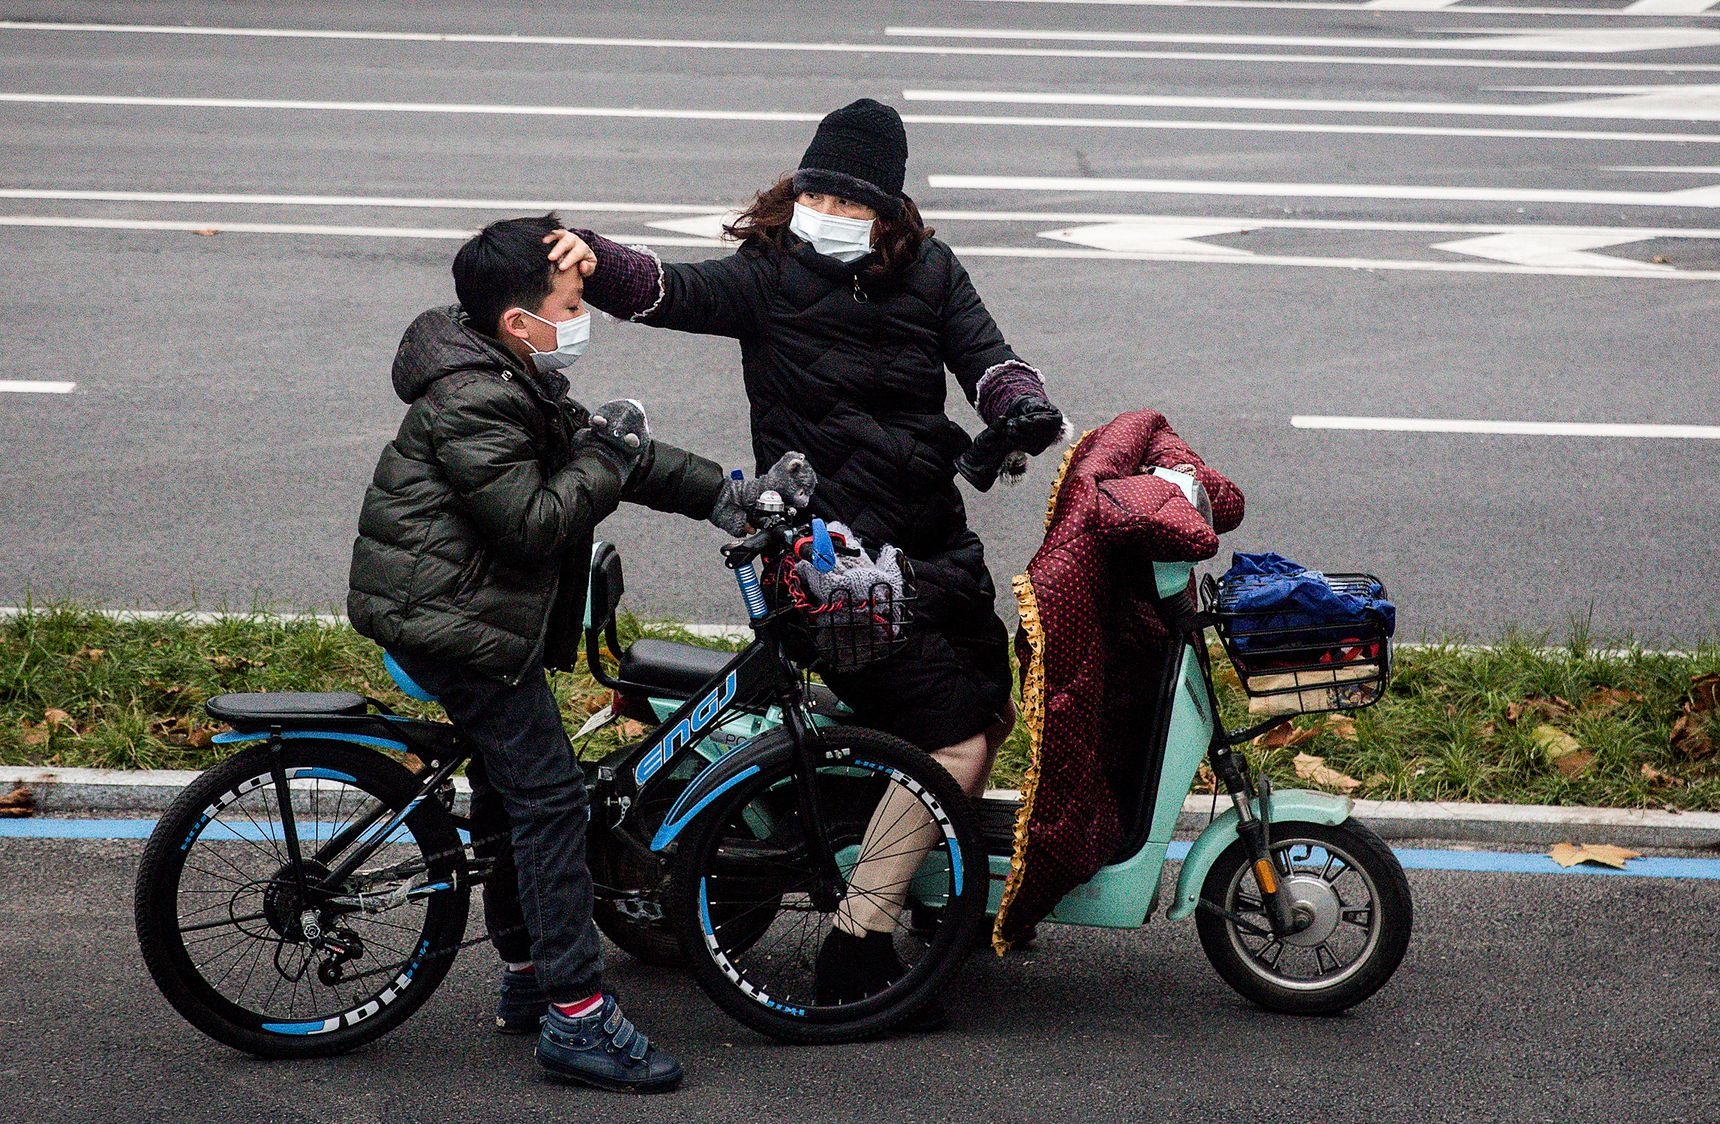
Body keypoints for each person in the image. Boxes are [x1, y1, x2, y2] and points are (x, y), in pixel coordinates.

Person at [543, 98, 1068, 1006]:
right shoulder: (767, 276)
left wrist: (1019, 408)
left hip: (934, 546)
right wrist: (593, 254)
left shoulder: (934, 274)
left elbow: (990, 360)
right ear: (796, 193)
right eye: (817, 193)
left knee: (989, 705)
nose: (830, 212)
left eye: (852, 202)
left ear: (891, 212)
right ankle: (857, 945)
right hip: (832, 567)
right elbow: (667, 289)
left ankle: (926, 889)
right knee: (953, 740)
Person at [346, 213, 814, 1090]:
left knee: (511, 782)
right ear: (521, 321)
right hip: (453, 621)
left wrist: (733, 496)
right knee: (551, 799)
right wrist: (604, 449)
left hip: (456, 604)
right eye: (570, 300)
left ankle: (526, 977)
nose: (581, 313)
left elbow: (619, 462)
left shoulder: (498, 365)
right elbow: (535, 522)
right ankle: (576, 1019)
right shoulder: (477, 396)